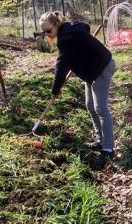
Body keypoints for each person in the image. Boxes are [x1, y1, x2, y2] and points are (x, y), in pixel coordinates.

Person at [39, 11, 116, 169]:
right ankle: (99, 139)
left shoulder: (66, 39)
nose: (46, 34)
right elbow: (85, 30)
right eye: (43, 31)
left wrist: (55, 89)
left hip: (101, 67)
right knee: (89, 105)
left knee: (100, 108)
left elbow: (61, 67)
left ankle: (108, 148)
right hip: (90, 69)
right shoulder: (71, 29)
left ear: (57, 25)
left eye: (48, 31)